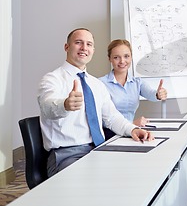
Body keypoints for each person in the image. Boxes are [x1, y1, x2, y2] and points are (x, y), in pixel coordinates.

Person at [38, 28, 153, 177]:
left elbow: (112, 117)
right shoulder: (52, 79)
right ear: (67, 47)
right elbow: (47, 106)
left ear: (93, 50)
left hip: (99, 150)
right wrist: (64, 105)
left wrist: (132, 130)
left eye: (89, 44)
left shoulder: (96, 85)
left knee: (133, 171)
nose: (84, 48)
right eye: (78, 42)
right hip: (67, 155)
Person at [99, 39, 167, 139]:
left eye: (126, 56)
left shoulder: (137, 82)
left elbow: (151, 94)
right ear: (110, 59)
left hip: (131, 132)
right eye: (116, 57)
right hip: (109, 135)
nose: (122, 61)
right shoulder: (100, 84)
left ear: (131, 57)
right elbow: (103, 118)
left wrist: (158, 94)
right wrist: (132, 124)